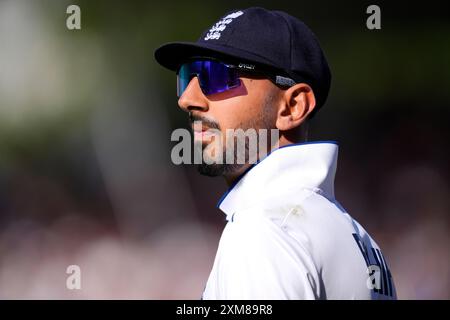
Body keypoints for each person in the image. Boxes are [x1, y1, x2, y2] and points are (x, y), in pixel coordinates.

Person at [155, 7, 396, 299]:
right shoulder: (359, 238)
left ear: (293, 106)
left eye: (216, 74)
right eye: (187, 76)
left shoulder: (263, 229)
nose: (187, 99)